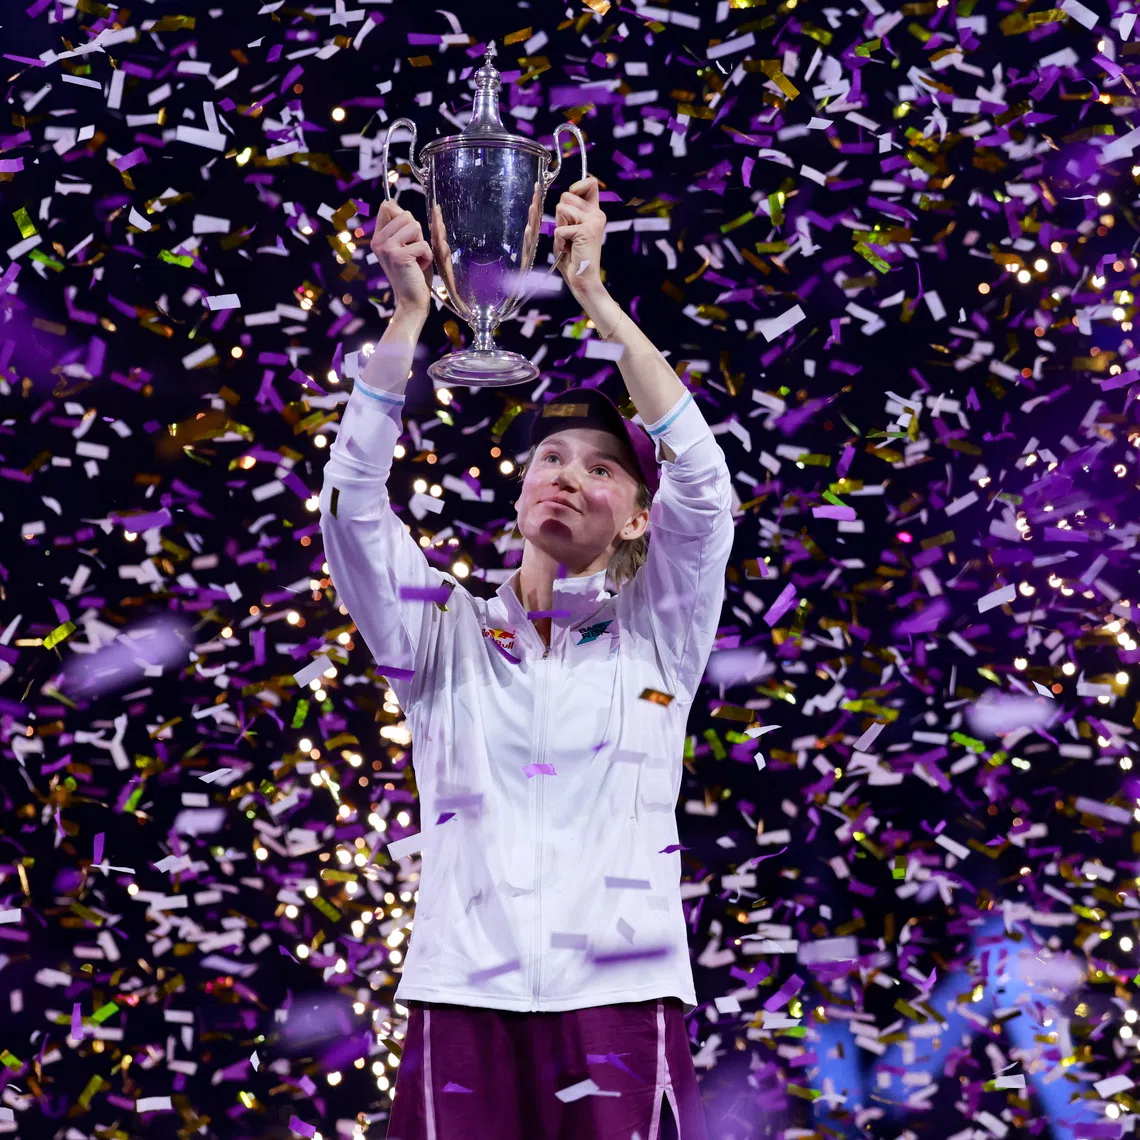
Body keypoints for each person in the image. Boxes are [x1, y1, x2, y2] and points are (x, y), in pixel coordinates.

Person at [318, 176, 735, 1140]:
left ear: (638, 516)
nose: (569, 477)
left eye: (602, 468)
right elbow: (352, 502)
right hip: (464, 993)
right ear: (520, 488)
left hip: (622, 1003)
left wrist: (595, 298)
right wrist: (410, 317)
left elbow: (705, 491)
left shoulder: (657, 632)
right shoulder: (440, 630)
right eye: (552, 459)